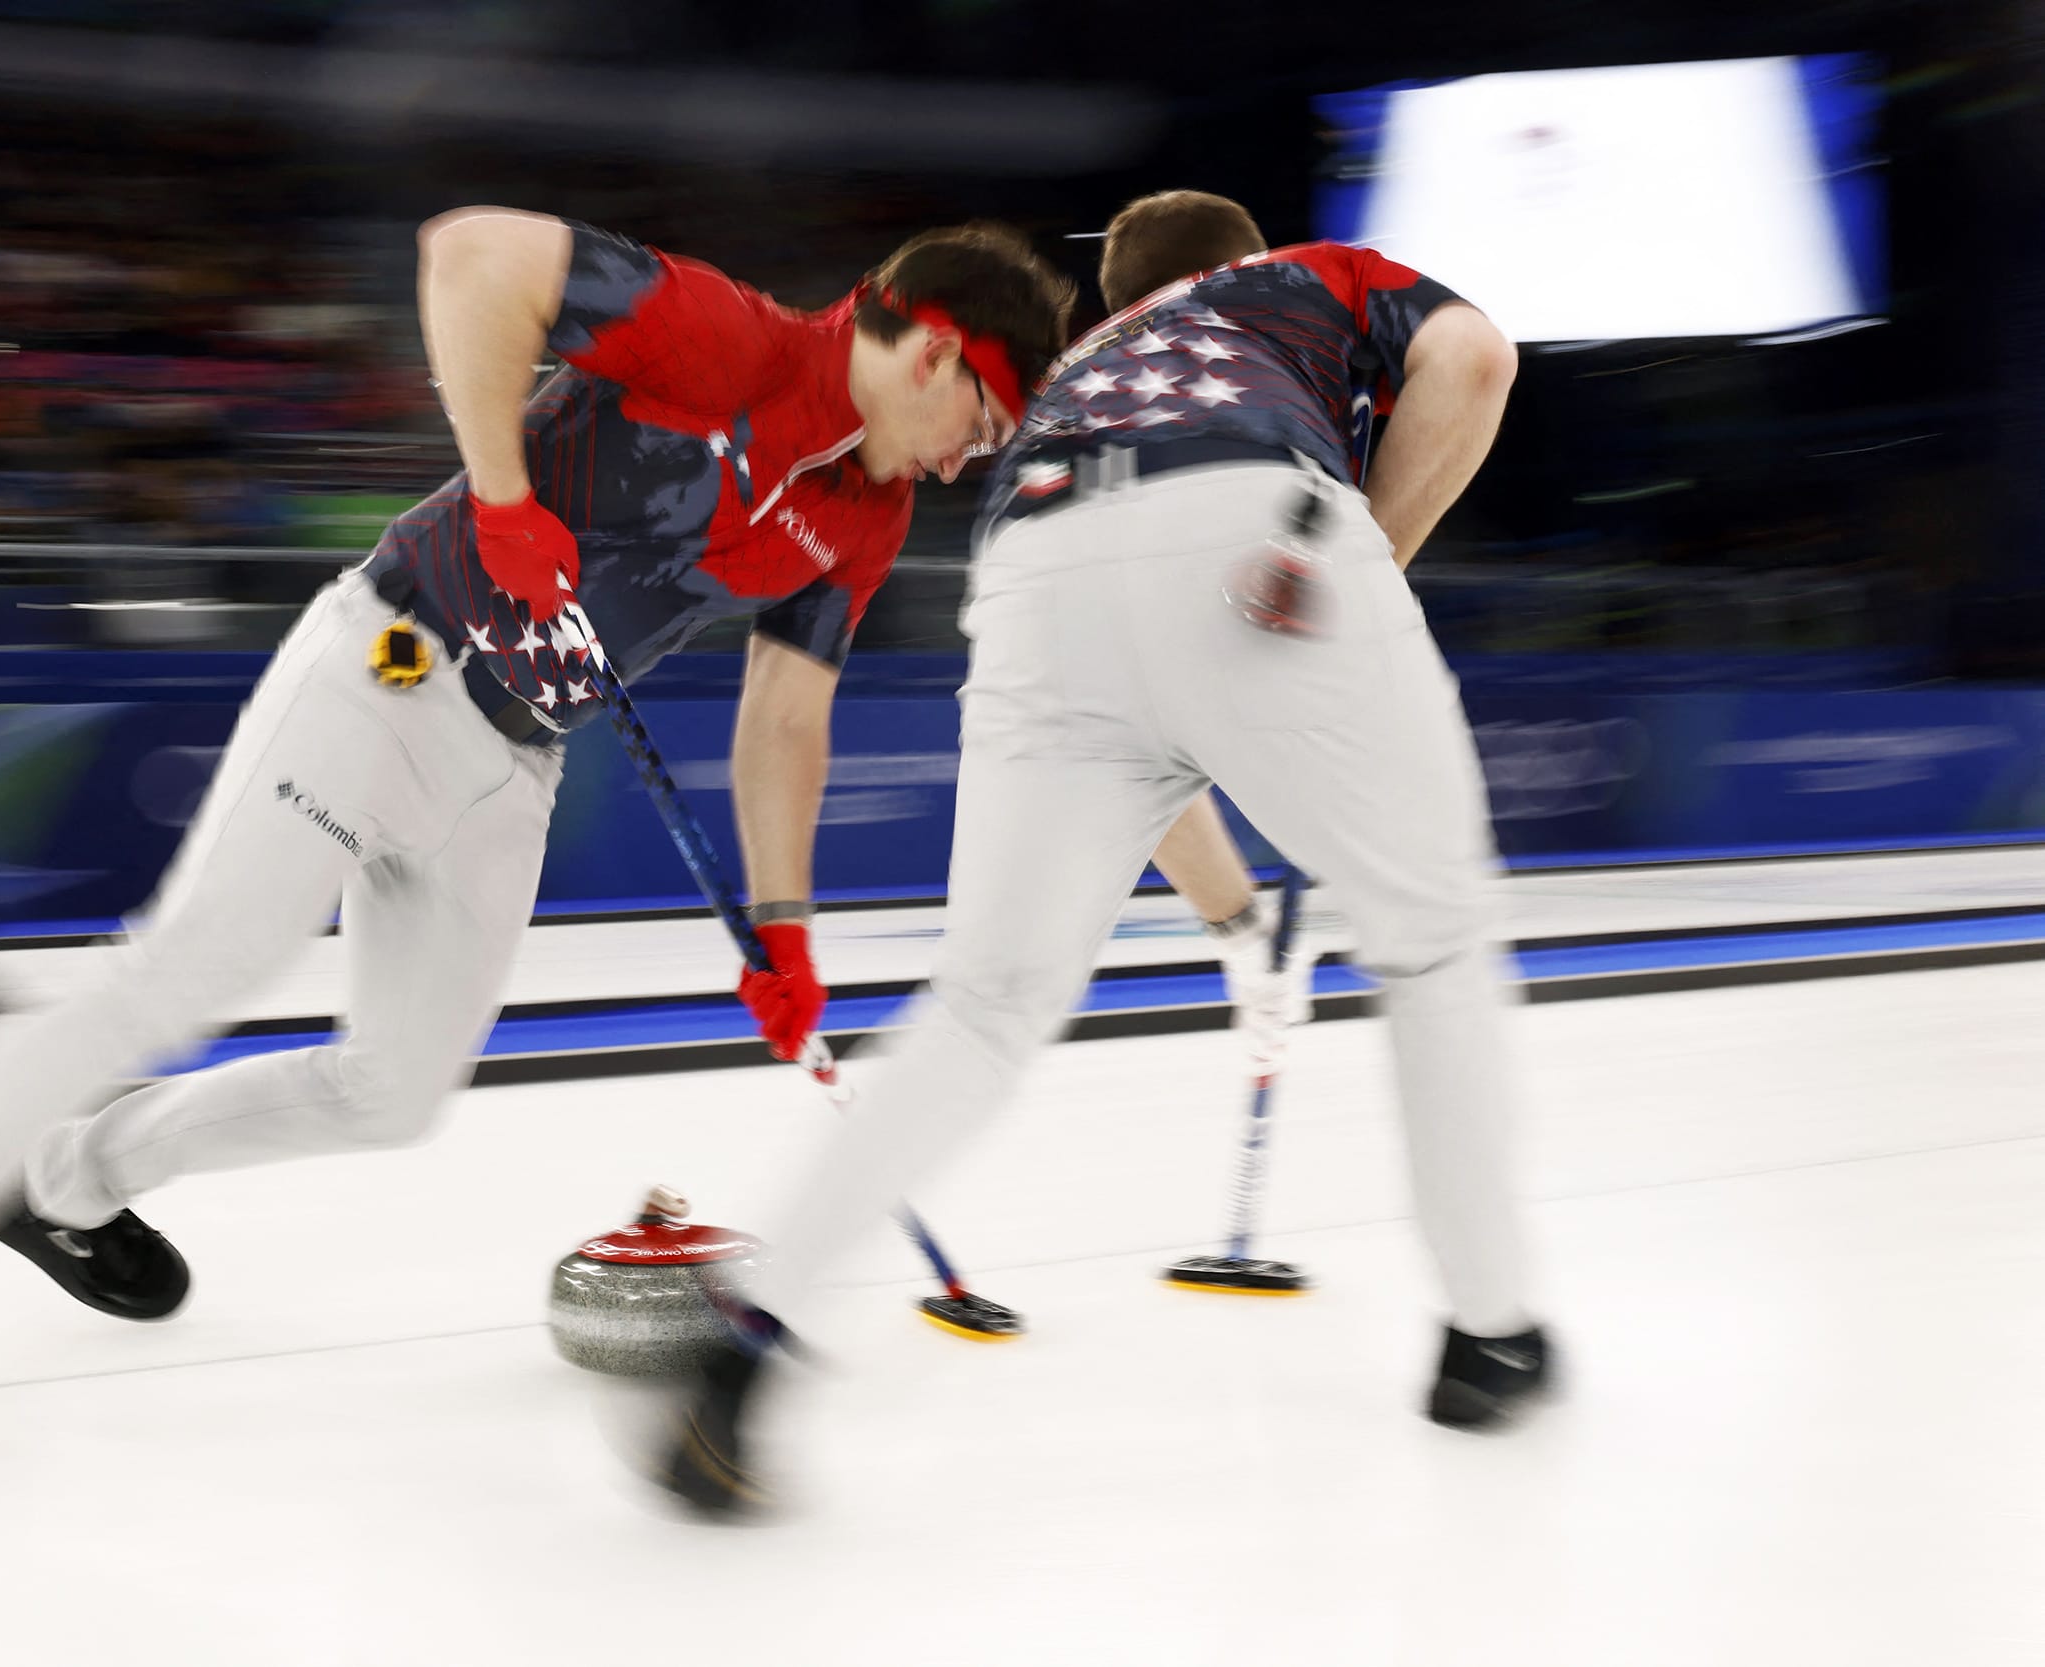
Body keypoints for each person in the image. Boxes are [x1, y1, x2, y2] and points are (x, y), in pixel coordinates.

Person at [0, 207, 1076, 1475]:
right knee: (186, 971)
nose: (967, 462)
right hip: (391, 663)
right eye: (984, 422)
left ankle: (66, 1181)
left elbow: (787, 715)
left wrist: (783, 931)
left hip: (515, 761)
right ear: (935, 350)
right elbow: (473, 256)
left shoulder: (864, 515)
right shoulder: (727, 336)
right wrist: (502, 498)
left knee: (393, 1093)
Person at [656, 189, 1542, 1516]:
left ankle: (744, 1343)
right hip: (1255, 502)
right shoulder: (1305, 281)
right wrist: (1369, 562)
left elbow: (1160, 744)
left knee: (986, 1005)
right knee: (1433, 938)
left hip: (1035, 558)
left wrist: (1235, 920)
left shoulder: (1077, 369)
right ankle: (1490, 1333)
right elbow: (1474, 359)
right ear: (1242, 263)